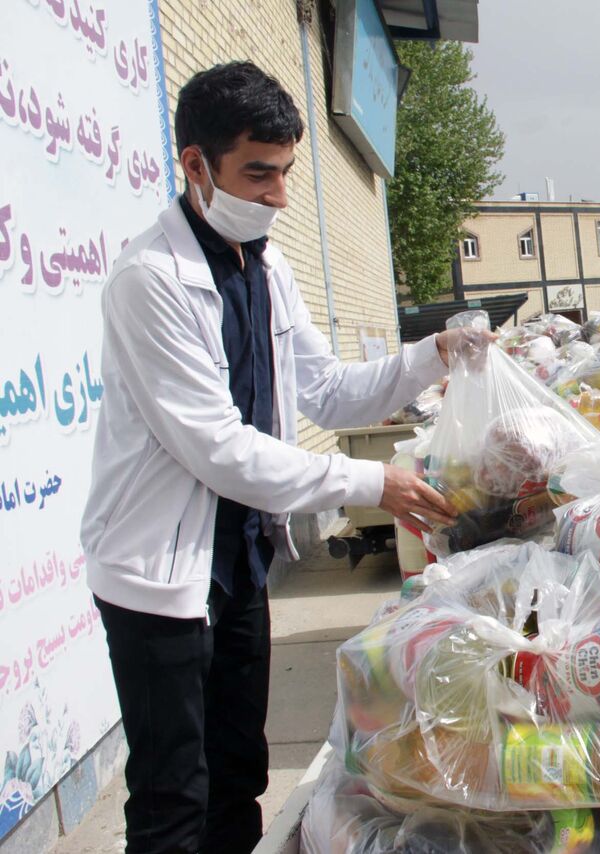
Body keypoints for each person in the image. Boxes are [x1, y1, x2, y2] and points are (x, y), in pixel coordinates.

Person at [81, 61, 473, 854]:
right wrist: (374, 482)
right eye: (257, 174)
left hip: (241, 557)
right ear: (195, 165)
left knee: (238, 775)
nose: (281, 196)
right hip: (159, 579)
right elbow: (219, 449)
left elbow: (325, 391)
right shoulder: (148, 281)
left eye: (288, 172)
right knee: (173, 797)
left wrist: (435, 352)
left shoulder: (264, 266)